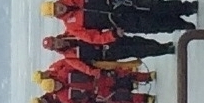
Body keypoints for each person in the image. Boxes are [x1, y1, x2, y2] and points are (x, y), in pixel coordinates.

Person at [47, 0, 199, 38]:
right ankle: (181, 25)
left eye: (56, 6)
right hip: (118, 22)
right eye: (56, 11)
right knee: (152, 25)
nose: (59, 9)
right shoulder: (72, 27)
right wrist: (112, 35)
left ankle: (187, 8)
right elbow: (93, 37)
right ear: (56, 15)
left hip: (120, 1)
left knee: (155, 5)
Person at [43, 30, 174, 65]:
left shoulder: (71, 33)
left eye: (54, 41)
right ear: (54, 49)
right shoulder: (70, 57)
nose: (57, 44)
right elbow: (87, 68)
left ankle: (162, 46)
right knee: (137, 50)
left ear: (56, 37)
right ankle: (165, 50)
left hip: (110, 39)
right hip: (108, 54)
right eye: (54, 45)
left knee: (138, 40)